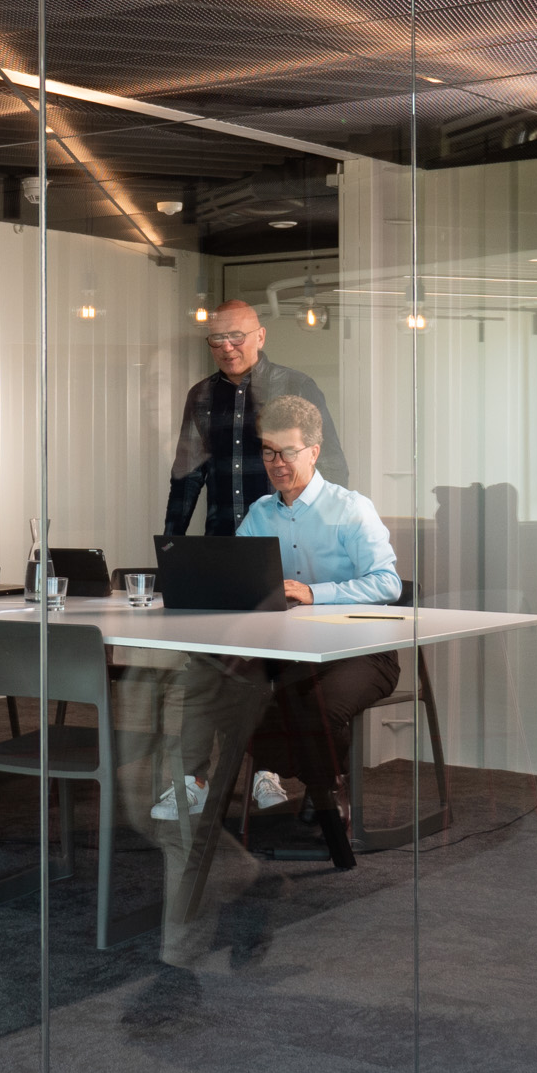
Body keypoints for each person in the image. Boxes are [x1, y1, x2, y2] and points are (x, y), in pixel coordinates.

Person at [235, 393, 399, 868]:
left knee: (314, 707)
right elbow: (245, 578)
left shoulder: (350, 508)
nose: (276, 463)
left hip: (365, 650)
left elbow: (388, 584)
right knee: (231, 692)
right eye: (268, 452)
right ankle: (312, 783)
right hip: (291, 650)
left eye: (287, 452)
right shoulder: (261, 513)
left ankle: (328, 790)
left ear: (313, 450)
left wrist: (315, 593)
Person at [164, 299, 348, 537]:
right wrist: (170, 545)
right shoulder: (201, 396)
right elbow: (186, 479)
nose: (227, 347)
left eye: (236, 336)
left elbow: (331, 466)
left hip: (288, 539)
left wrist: (325, 537)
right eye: (217, 339)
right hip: (223, 541)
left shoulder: (297, 386)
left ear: (260, 337)